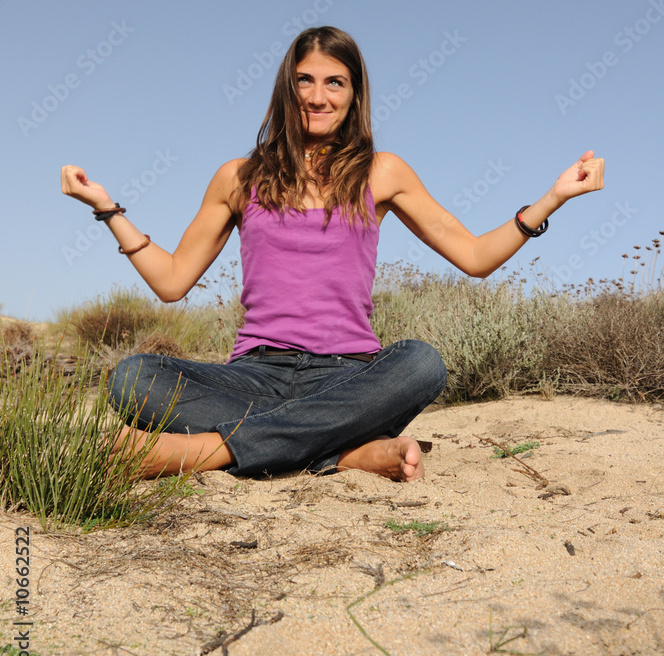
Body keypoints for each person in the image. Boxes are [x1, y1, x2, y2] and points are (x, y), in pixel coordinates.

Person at [61, 26, 604, 482]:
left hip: (348, 375)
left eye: (334, 82)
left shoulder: (382, 172)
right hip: (255, 375)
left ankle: (207, 451)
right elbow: (172, 281)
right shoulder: (238, 177)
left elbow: (476, 256)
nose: (317, 97)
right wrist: (107, 208)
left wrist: (553, 197)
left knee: (421, 363)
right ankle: (343, 451)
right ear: (286, 87)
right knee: (133, 377)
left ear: (353, 94)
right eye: (305, 80)